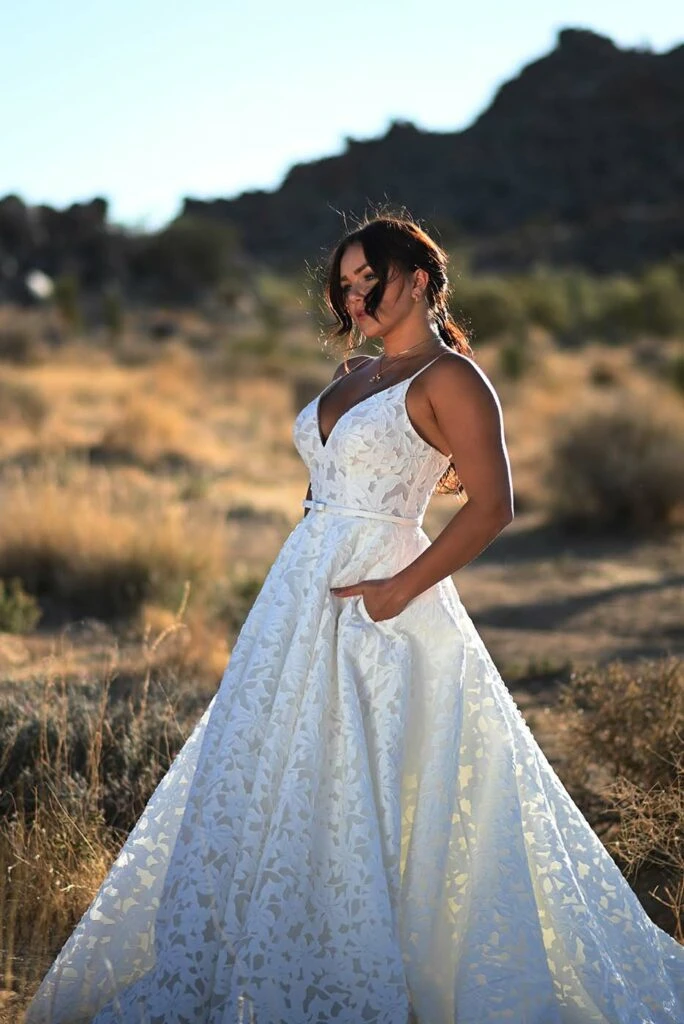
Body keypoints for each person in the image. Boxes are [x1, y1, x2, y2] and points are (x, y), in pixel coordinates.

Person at [26, 215, 684, 1023]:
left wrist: (399, 588)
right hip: (300, 595)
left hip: (385, 608)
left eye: (372, 277)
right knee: (271, 770)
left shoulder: (454, 380)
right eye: (345, 282)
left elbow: (495, 507)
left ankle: (368, 972)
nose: (357, 294)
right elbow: (332, 478)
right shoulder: (356, 369)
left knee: (368, 782)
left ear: (421, 279)